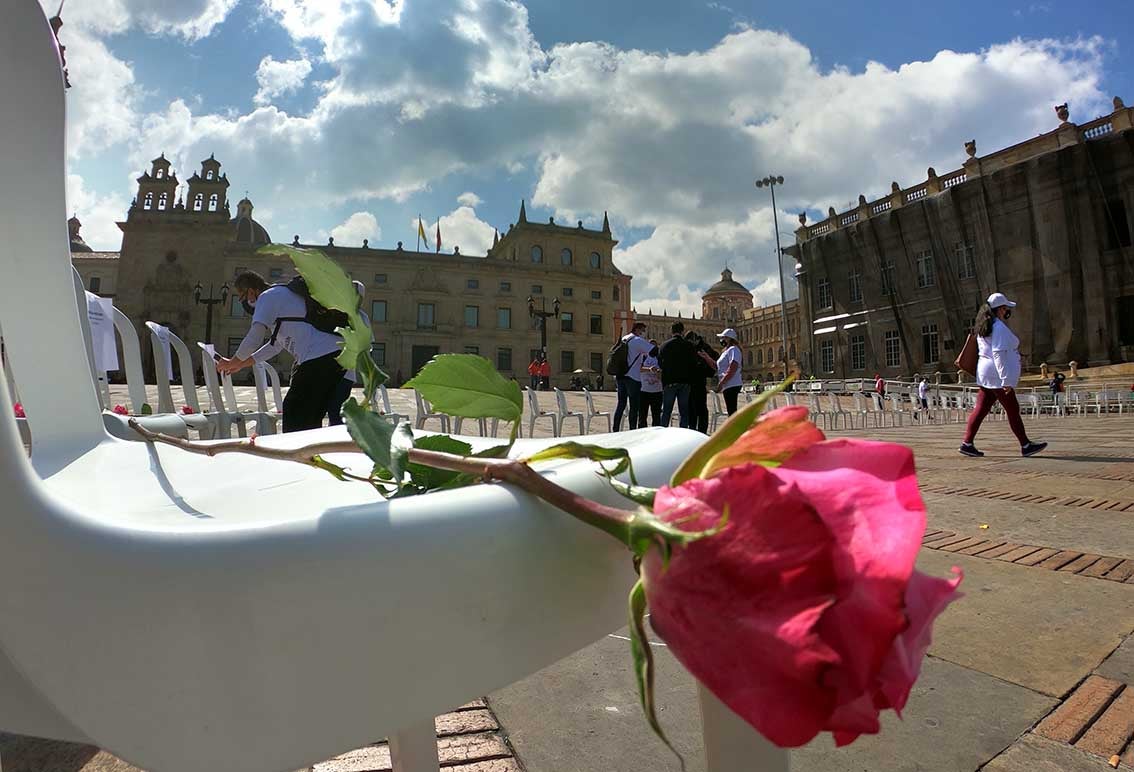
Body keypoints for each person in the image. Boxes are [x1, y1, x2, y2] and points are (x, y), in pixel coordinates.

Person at [217, 270, 345, 433]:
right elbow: (274, 346)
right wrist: (241, 364)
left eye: (242, 297)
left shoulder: (267, 297)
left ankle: (298, 455)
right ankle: (311, 455)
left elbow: (255, 337)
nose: (244, 303)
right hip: (333, 354)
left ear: (251, 291)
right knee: (309, 416)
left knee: (294, 411)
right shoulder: (281, 297)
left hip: (319, 355)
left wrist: (232, 361)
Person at [960, 292, 1047, 457]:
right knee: (1013, 409)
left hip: (986, 373)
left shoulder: (984, 326)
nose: (1007, 310)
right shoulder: (998, 327)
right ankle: (1025, 445)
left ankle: (967, 443)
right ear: (1000, 309)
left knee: (981, 409)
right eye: (1006, 307)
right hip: (996, 375)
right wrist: (1006, 380)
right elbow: (998, 354)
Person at [326, 281, 371, 426]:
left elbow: (367, 346)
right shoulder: (331, 312)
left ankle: (336, 444)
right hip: (325, 370)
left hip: (344, 374)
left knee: (335, 412)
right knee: (327, 411)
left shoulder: (361, 318)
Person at [612, 322, 653, 431]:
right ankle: (632, 429)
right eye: (643, 331)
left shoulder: (625, 338)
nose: (644, 333)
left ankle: (615, 428)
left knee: (621, 403)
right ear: (637, 329)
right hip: (633, 377)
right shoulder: (637, 340)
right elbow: (653, 351)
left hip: (620, 376)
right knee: (634, 405)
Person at [657, 321, 697, 427]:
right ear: (682, 331)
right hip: (685, 382)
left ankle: (662, 433)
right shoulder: (689, 345)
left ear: (671, 331)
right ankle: (682, 434)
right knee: (684, 412)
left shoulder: (664, 345)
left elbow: (660, 364)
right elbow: (694, 363)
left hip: (669, 381)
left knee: (666, 411)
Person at [685, 331, 718, 433]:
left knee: (700, 409)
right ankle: (694, 430)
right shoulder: (695, 347)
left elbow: (715, 357)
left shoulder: (703, 348)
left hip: (698, 380)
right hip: (693, 381)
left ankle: (700, 431)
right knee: (693, 408)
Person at [713, 328, 743, 415]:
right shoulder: (726, 351)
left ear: (729, 339)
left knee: (732, 412)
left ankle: (736, 428)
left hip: (732, 384)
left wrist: (722, 382)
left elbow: (733, 367)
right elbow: (717, 366)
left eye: (724, 338)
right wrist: (706, 357)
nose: (722, 340)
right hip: (728, 385)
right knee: (731, 411)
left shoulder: (734, 349)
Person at [640, 340, 664, 426]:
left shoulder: (660, 358)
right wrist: (649, 369)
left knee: (656, 416)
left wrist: (659, 372)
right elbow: (639, 368)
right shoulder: (643, 356)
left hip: (657, 390)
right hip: (644, 390)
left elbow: (663, 371)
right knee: (642, 415)